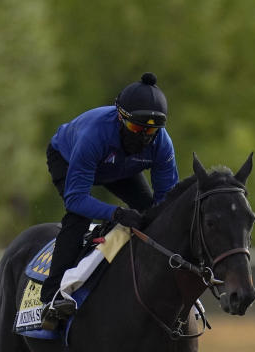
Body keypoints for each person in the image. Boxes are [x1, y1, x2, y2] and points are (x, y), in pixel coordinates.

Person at [39, 72, 179, 330]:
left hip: (120, 167)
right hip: (68, 157)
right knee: (78, 219)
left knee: (151, 215)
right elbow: (75, 199)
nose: (144, 138)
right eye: (137, 128)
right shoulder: (95, 134)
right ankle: (51, 297)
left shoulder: (162, 144)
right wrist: (116, 214)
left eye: (151, 131)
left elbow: (164, 206)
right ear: (120, 117)